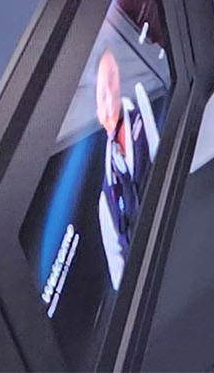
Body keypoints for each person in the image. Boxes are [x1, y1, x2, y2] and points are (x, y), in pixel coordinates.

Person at [94, 49, 151, 290]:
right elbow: (121, 280)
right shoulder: (106, 198)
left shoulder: (146, 114)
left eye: (112, 79)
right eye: (101, 93)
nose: (109, 94)